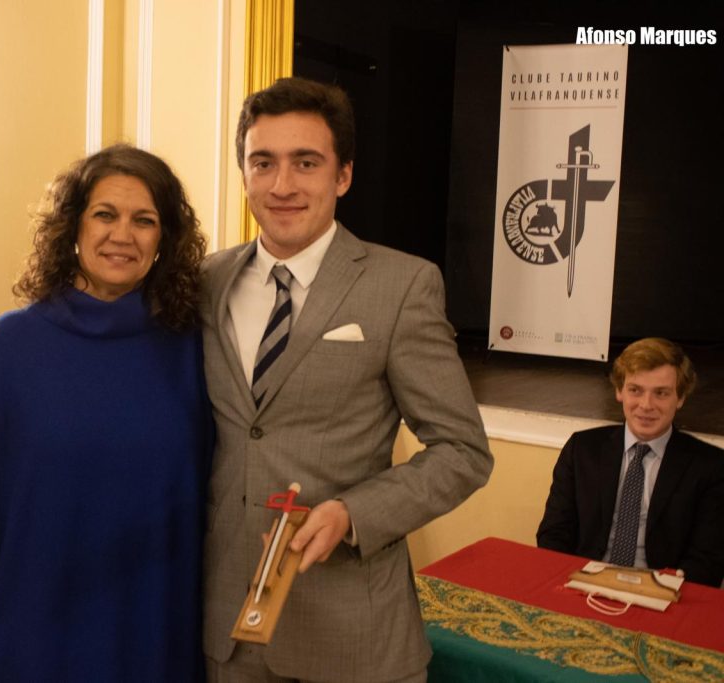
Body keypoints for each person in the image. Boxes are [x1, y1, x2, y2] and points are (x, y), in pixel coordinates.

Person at [201, 77, 493, 683]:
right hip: (228, 628)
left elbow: (463, 451)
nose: (282, 185)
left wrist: (354, 512)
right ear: (244, 173)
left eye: (306, 163)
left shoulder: (403, 285)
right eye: (263, 162)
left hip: (352, 637)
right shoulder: (206, 282)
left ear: (343, 176)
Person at [0, 144, 211, 682]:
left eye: (144, 220)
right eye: (105, 214)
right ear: (73, 226)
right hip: (34, 629)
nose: (122, 234)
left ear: (165, 239)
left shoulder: (193, 347)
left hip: (158, 631)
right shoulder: (9, 346)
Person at [537, 337, 724, 587]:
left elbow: (708, 561)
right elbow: (553, 534)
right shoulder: (582, 449)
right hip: (584, 583)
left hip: (663, 592)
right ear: (619, 391)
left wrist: (660, 588)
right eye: (635, 390)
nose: (646, 405)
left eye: (661, 393)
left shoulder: (710, 466)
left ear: (680, 398)